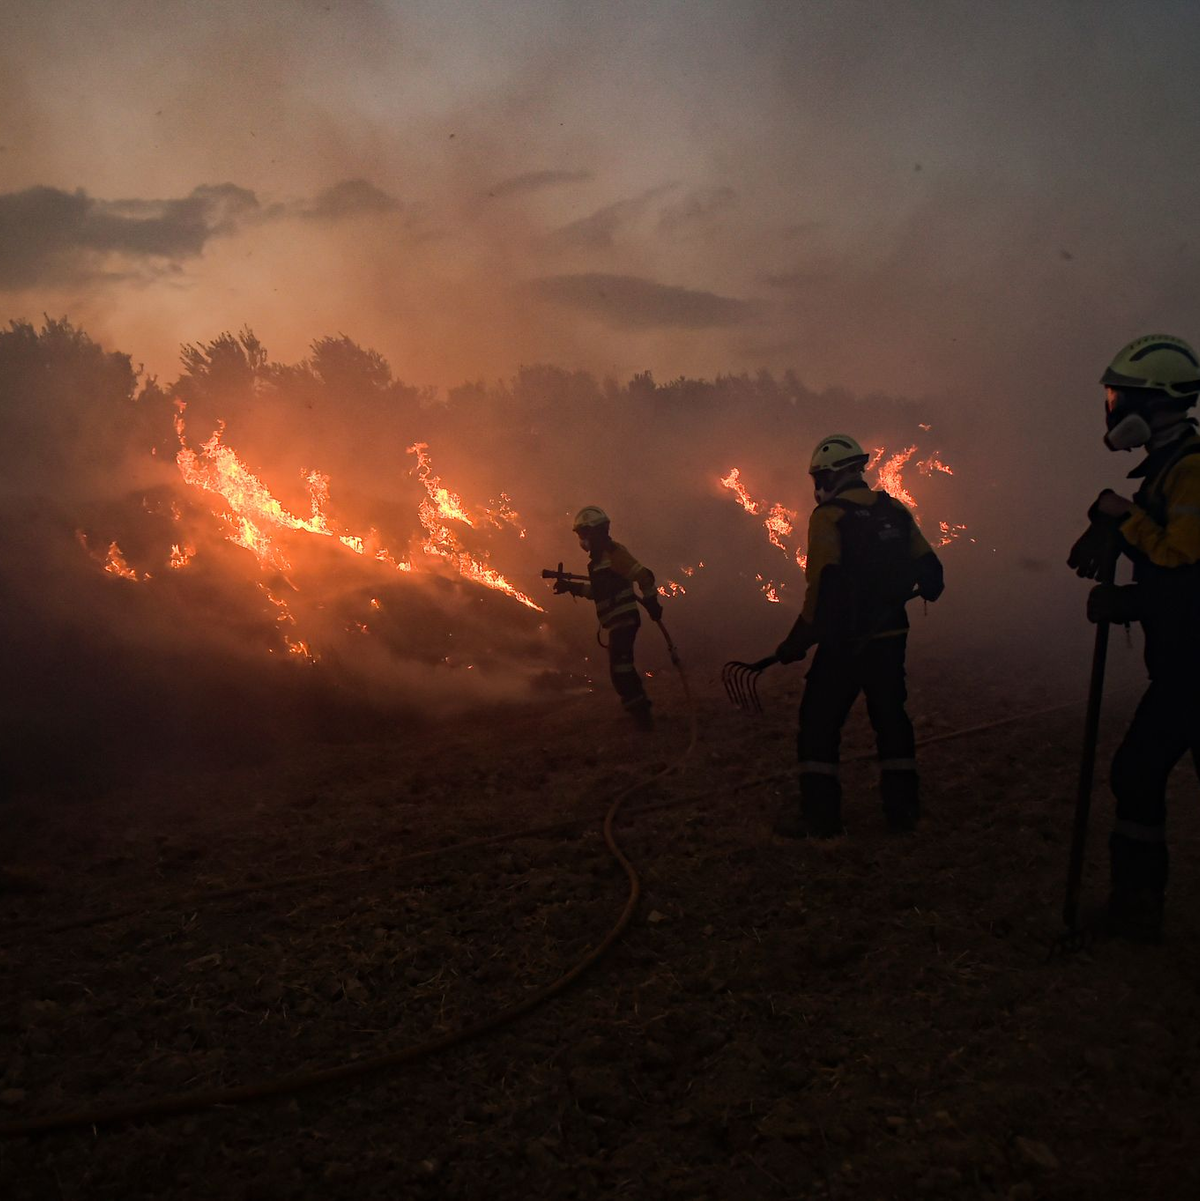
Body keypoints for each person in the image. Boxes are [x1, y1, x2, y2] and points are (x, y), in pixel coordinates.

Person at [1068, 334, 1200, 942]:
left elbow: (1184, 560)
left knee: (1137, 771)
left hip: (1195, 667)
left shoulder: (1192, 470)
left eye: (1120, 396)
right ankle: (1137, 905)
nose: (1113, 408)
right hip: (1180, 666)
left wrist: (1126, 518)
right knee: (1137, 773)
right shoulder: (1169, 466)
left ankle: (1137, 905)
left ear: (1159, 401)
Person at [773, 435, 944, 838]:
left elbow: (821, 587)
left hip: (845, 643)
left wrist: (797, 640)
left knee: (819, 721)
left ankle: (820, 819)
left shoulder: (829, 517)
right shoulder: (894, 510)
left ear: (831, 475)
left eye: (819, 477)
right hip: (891, 635)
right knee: (891, 717)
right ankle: (903, 812)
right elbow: (932, 574)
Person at [552, 506, 662, 730]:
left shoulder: (613, 553)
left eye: (584, 533)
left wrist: (651, 601)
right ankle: (641, 713)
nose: (582, 539)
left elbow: (644, 575)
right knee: (622, 669)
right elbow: (598, 592)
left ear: (595, 531)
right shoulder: (598, 561)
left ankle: (643, 719)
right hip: (616, 622)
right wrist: (571, 587)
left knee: (621, 670)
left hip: (625, 620)